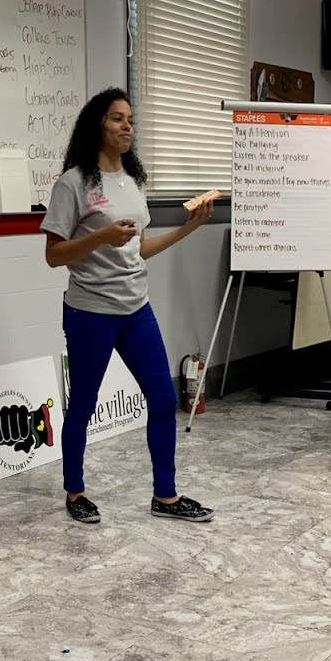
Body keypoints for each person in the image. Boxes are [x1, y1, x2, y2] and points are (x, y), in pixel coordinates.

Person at [41, 87, 218, 525]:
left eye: (131, 120)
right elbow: (54, 255)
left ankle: (166, 497)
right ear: (96, 124)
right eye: (117, 118)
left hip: (136, 310)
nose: (127, 127)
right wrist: (102, 236)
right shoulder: (73, 183)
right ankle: (75, 491)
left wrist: (190, 228)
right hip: (89, 312)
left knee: (162, 399)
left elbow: (139, 249)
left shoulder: (134, 182)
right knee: (83, 404)